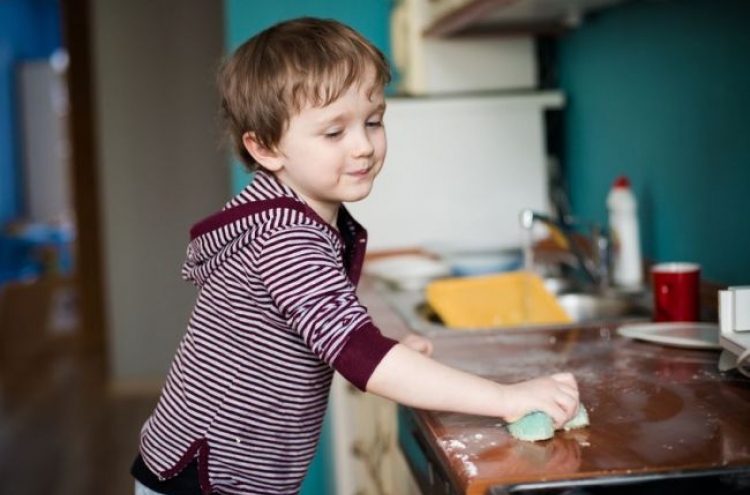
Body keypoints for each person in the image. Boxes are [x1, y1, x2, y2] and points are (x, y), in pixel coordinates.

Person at [131, 16, 580, 495]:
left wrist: (383, 350)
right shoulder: (284, 237)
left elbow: (323, 327)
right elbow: (356, 353)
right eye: (333, 133)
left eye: (373, 121)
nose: (364, 145)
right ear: (264, 147)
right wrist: (505, 398)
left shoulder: (293, 217)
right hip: (207, 480)